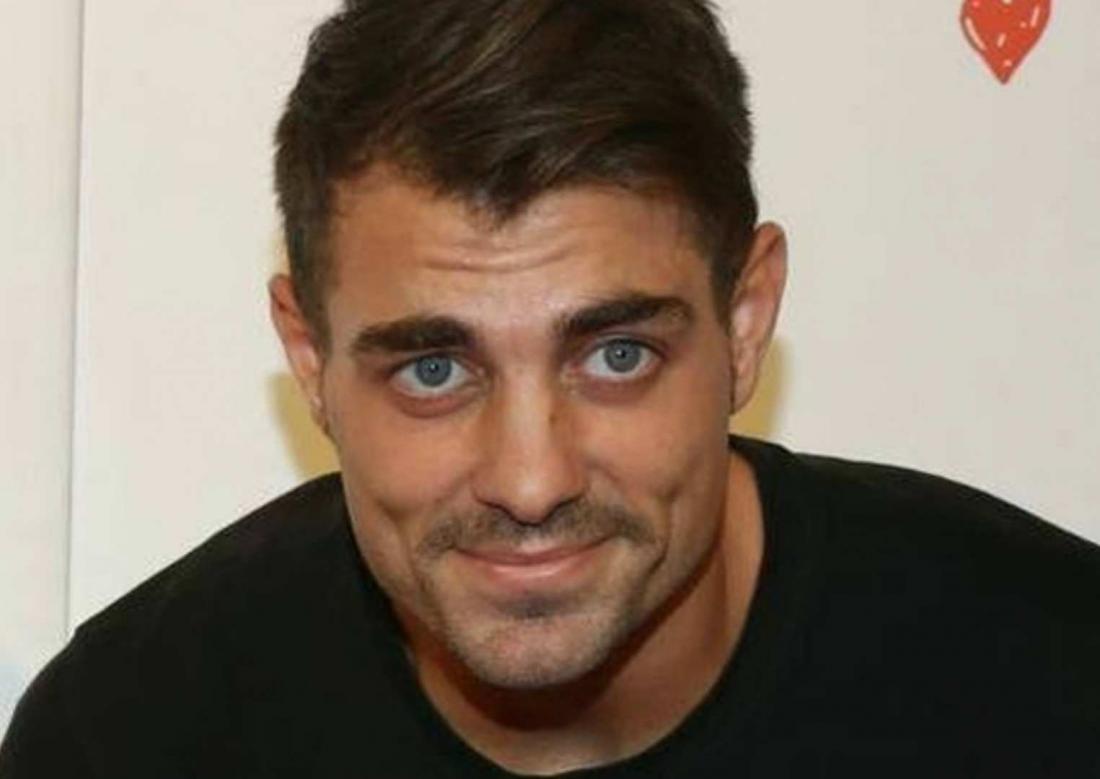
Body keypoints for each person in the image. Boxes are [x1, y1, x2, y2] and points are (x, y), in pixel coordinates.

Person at [2, 0, 1098, 775]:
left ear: (745, 320)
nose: (531, 480)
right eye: (433, 370)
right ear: (310, 357)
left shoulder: (1053, 681)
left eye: (615, 356)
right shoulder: (126, 738)